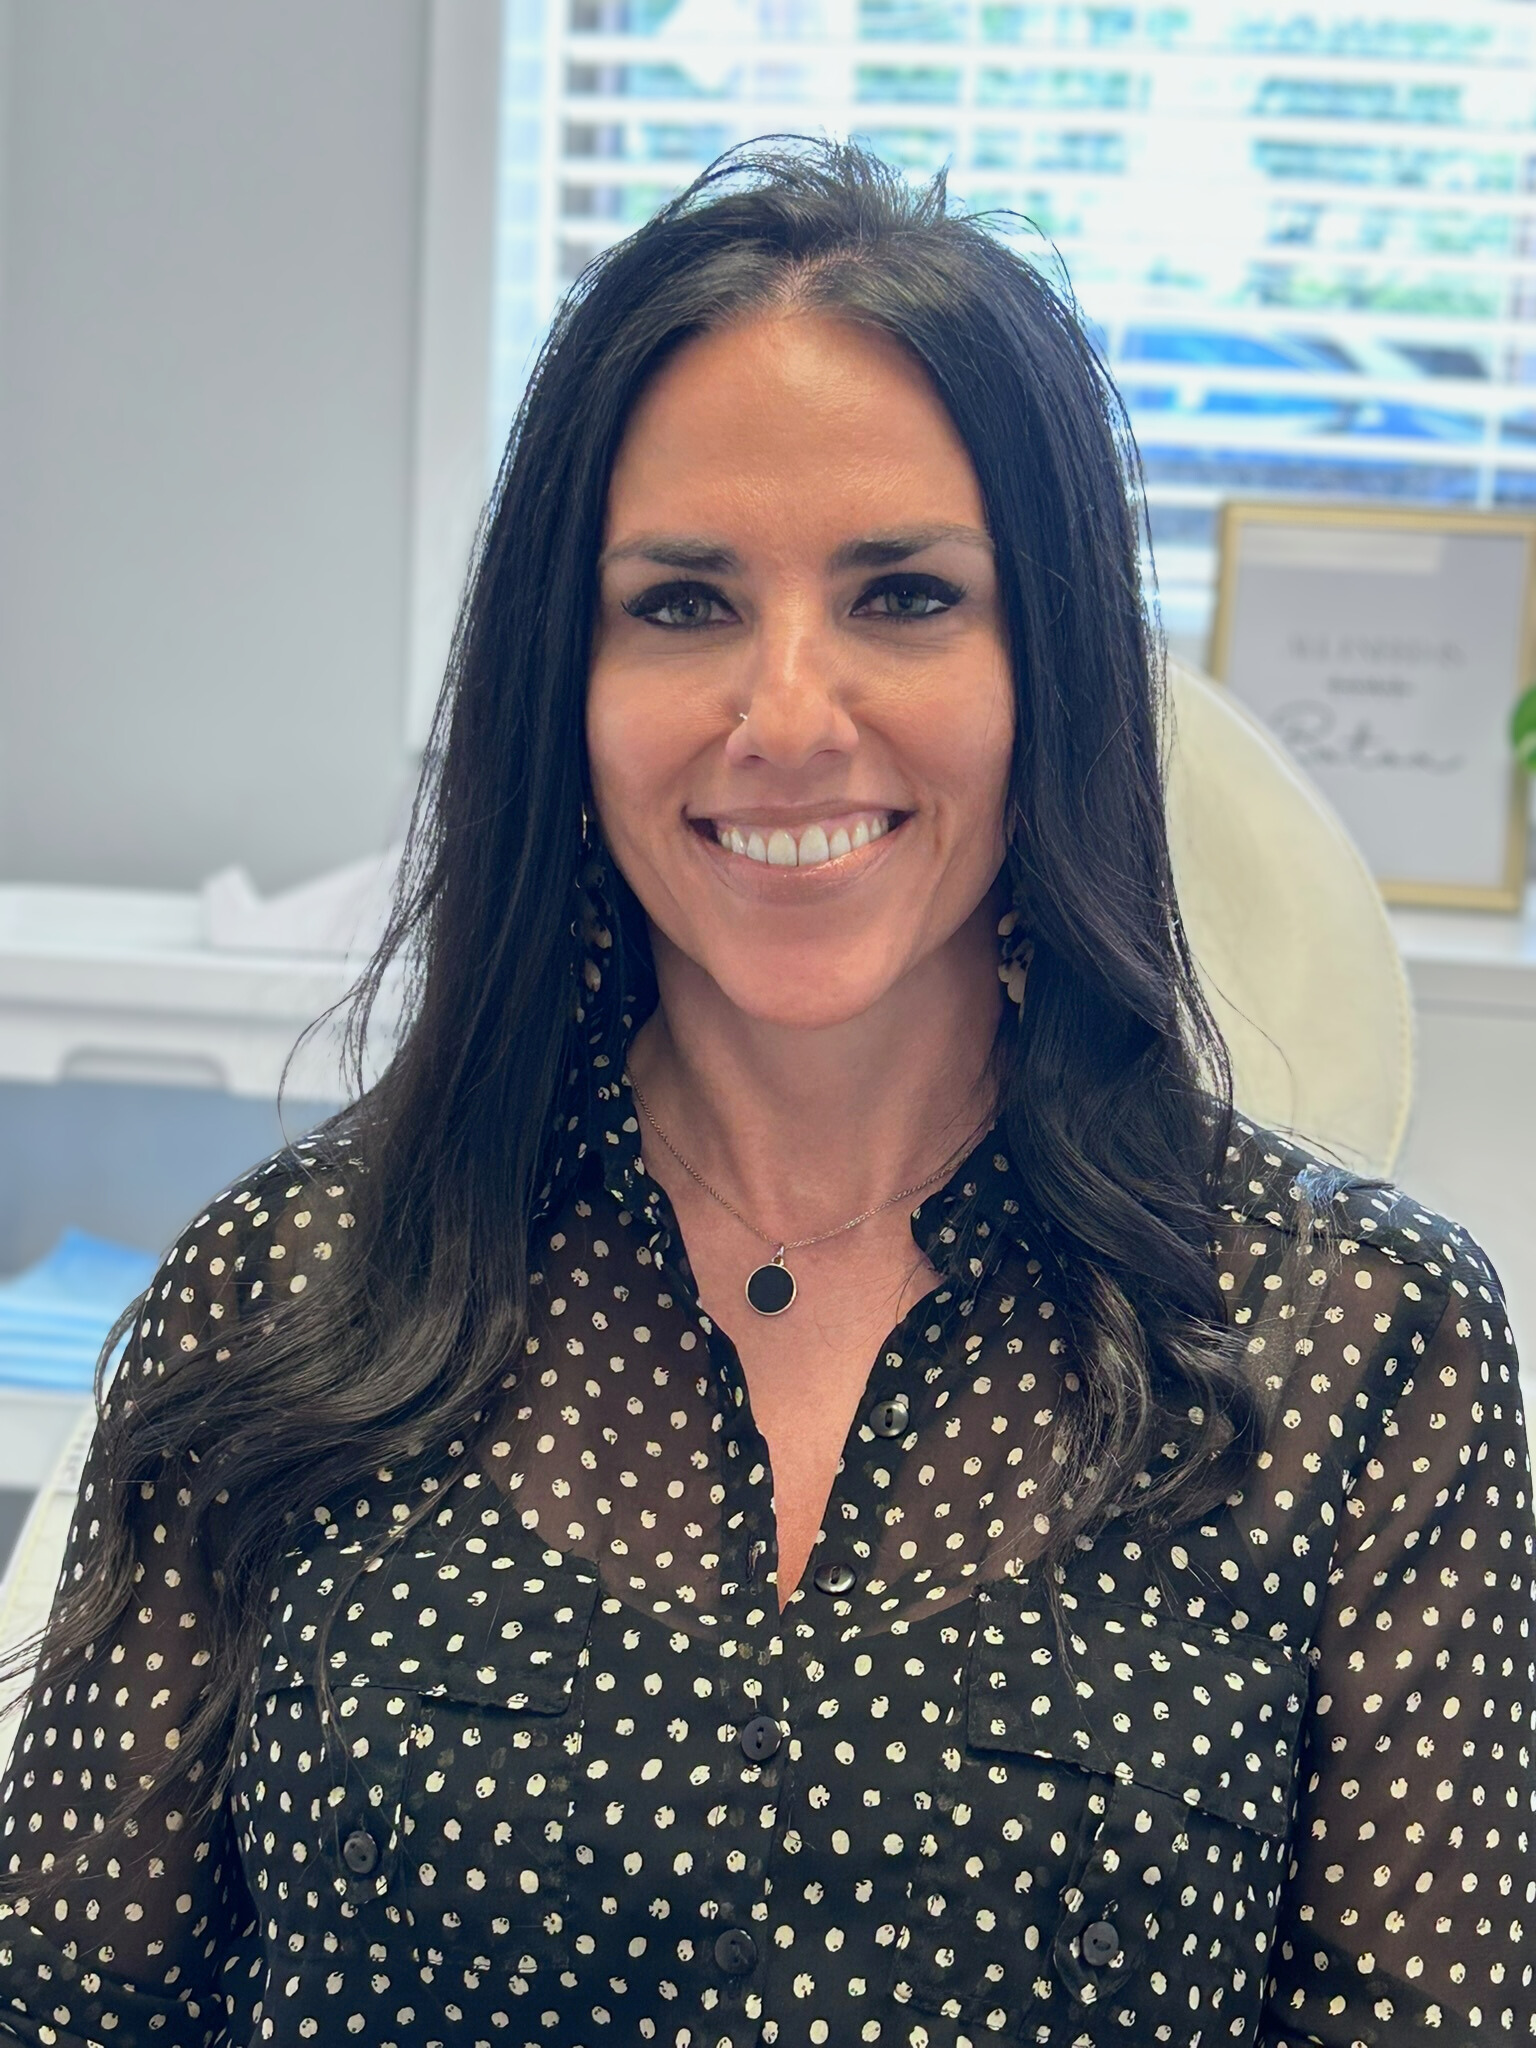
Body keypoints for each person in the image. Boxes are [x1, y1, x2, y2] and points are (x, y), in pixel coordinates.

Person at [0, 140, 1530, 2048]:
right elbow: (71, 1998)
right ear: (563, 677)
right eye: (682, 604)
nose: (788, 715)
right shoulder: (278, 1294)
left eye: (904, 596)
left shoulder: (1365, 1343)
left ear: (1047, 667)